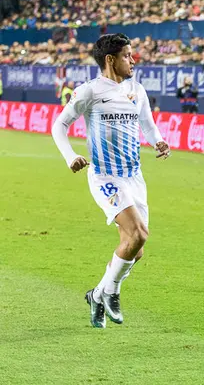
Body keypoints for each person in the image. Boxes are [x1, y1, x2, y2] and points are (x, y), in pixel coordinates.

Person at [50, 33, 170, 329]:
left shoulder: (136, 90)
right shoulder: (90, 91)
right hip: (105, 176)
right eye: (128, 55)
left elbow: (148, 125)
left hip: (134, 177)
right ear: (110, 60)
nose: (133, 60)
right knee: (140, 234)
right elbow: (59, 125)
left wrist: (159, 142)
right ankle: (112, 292)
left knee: (135, 249)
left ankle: (97, 294)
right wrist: (69, 156)